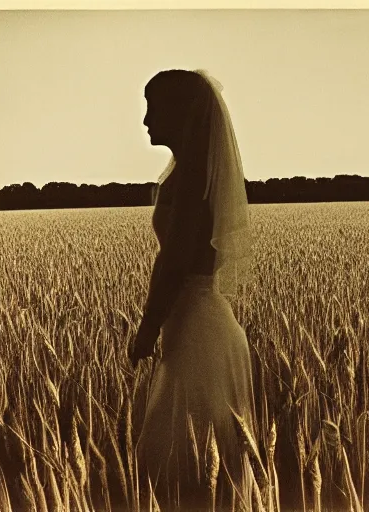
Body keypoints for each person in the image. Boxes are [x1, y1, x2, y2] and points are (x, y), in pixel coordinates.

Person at [128, 68, 258, 511]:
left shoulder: (189, 182)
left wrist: (146, 330)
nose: (145, 120)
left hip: (196, 333)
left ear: (179, 114)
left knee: (171, 464)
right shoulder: (195, 173)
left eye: (153, 108)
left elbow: (172, 264)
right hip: (207, 323)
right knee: (204, 463)